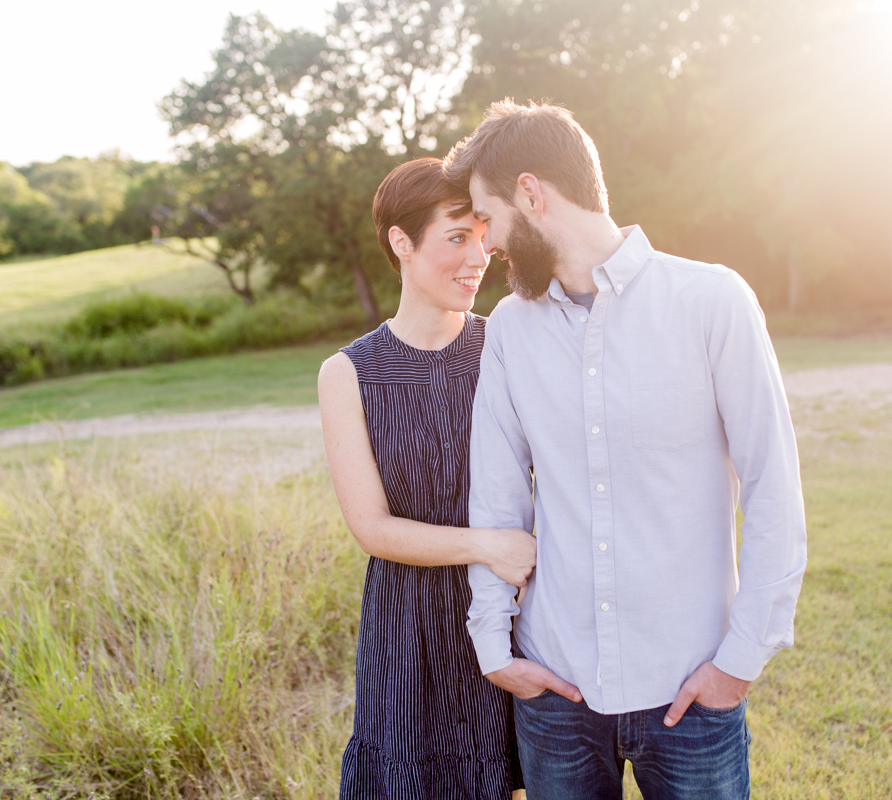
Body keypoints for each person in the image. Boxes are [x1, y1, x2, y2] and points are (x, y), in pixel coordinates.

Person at [445, 100, 808, 799]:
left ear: (532, 192)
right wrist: (495, 650)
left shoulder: (712, 302)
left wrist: (740, 660)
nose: (484, 245)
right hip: (556, 692)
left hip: (692, 688)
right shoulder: (510, 332)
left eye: (488, 219)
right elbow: (496, 498)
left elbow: (773, 487)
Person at [318, 157, 528, 799]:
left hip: (505, 616)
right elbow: (372, 528)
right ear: (401, 243)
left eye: (483, 236)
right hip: (406, 628)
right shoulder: (348, 373)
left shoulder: (507, 348)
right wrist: (486, 545)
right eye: (458, 237)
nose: (479, 255)